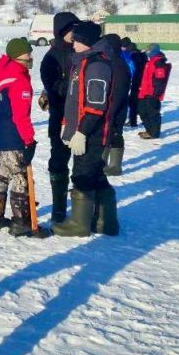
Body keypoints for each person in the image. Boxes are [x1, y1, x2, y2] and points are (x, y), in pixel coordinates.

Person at [53, 21, 120, 237]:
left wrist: (82, 132)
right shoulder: (80, 63)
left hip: (93, 133)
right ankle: (105, 222)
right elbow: (74, 101)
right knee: (95, 174)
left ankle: (80, 225)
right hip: (81, 130)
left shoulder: (97, 66)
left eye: (77, 40)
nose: (73, 44)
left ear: (88, 42)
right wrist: (68, 127)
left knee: (82, 174)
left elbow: (96, 105)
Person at [0, 38, 51, 238]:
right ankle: (21, 222)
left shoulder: (4, 70)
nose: (31, 57)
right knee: (20, 176)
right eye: (28, 54)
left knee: (0, 174)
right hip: (13, 136)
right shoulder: (19, 79)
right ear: (17, 56)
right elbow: (20, 116)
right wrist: (29, 140)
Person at [38, 11, 79, 225]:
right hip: (60, 119)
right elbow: (53, 87)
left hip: (82, 120)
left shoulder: (82, 52)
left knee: (84, 165)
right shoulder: (51, 57)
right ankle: (59, 209)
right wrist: (74, 88)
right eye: (69, 29)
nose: (73, 33)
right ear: (60, 31)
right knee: (59, 162)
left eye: (75, 28)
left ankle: (84, 210)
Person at [101, 33, 131, 176]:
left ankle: (114, 166)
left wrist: (110, 112)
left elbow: (118, 92)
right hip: (113, 107)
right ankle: (107, 164)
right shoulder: (111, 61)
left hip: (115, 108)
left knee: (114, 133)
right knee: (111, 134)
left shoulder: (118, 65)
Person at [137, 44, 171, 140]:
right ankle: (149, 130)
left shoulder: (159, 62)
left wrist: (155, 94)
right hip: (144, 91)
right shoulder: (151, 61)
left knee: (153, 113)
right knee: (142, 110)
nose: (147, 52)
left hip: (152, 93)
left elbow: (160, 81)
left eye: (149, 50)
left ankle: (154, 133)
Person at [122, 38, 147, 127]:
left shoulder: (132, 55)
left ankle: (133, 121)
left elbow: (132, 68)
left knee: (133, 101)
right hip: (143, 80)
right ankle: (144, 119)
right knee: (140, 100)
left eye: (123, 47)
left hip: (136, 80)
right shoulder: (140, 53)